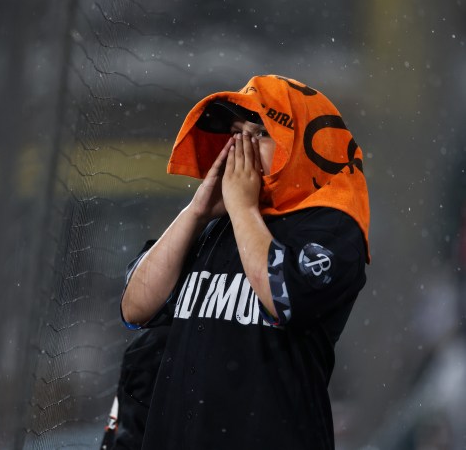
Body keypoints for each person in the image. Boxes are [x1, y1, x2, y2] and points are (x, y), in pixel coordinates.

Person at [120, 74, 370, 449]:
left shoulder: (332, 225)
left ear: (301, 143)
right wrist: (195, 211)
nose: (241, 147)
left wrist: (241, 208)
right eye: (236, 133)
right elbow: (134, 307)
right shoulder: (213, 224)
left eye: (259, 133)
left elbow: (285, 298)